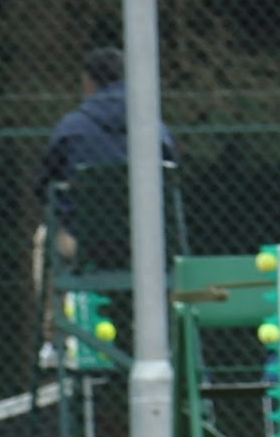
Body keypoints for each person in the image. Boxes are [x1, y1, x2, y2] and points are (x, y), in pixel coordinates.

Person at [31, 47, 178, 326]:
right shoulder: (154, 127)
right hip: (147, 242)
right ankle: (165, 334)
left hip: (86, 242)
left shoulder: (71, 128)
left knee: (43, 240)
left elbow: (41, 186)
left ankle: (54, 335)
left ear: (88, 83)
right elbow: (173, 177)